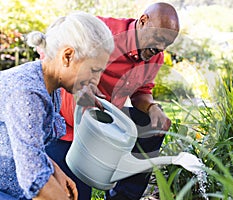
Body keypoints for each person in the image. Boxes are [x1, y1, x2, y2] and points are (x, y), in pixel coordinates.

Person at [45, 2, 180, 200]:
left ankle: (122, 197)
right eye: (159, 38)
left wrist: (152, 108)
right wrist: (80, 88)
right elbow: (52, 48)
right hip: (68, 127)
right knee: (73, 195)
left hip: (106, 122)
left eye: (166, 44)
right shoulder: (101, 33)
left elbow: (141, 91)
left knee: (151, 126)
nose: (160, 48)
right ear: (143, 21)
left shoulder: (155, 56)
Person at [0, 11, 114, 200]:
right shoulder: (27, 93)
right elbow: (34, 180)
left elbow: (25, 143)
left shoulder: (48, 85)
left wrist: (55, 170)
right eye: (94, 70)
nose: (96, 80)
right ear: (67, 56)